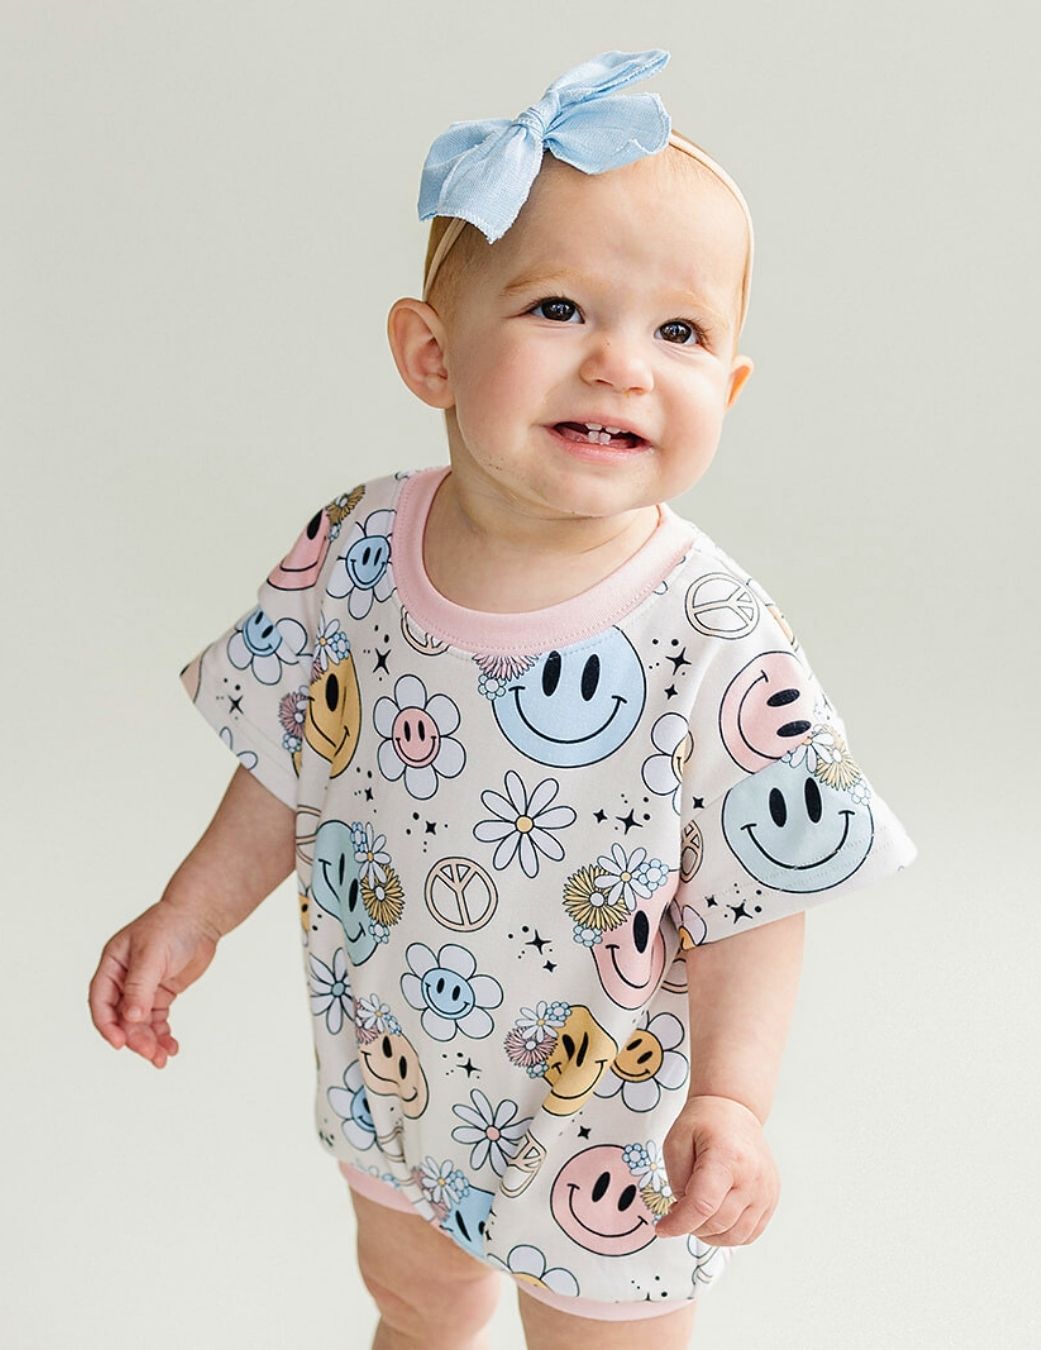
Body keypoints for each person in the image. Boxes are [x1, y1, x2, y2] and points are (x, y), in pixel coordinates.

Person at [88, 49, 918, 1349]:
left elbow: (760, 893)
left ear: (730, 388)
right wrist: (190, 911)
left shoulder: (716, 636)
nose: (622, 365)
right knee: (413, 1300)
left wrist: (735, 1099)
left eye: (681, 333)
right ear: (431, 353)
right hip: (397, 1066)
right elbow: (288, 759)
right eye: (560, 309)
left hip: (614, 1123)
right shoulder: (357, 548)